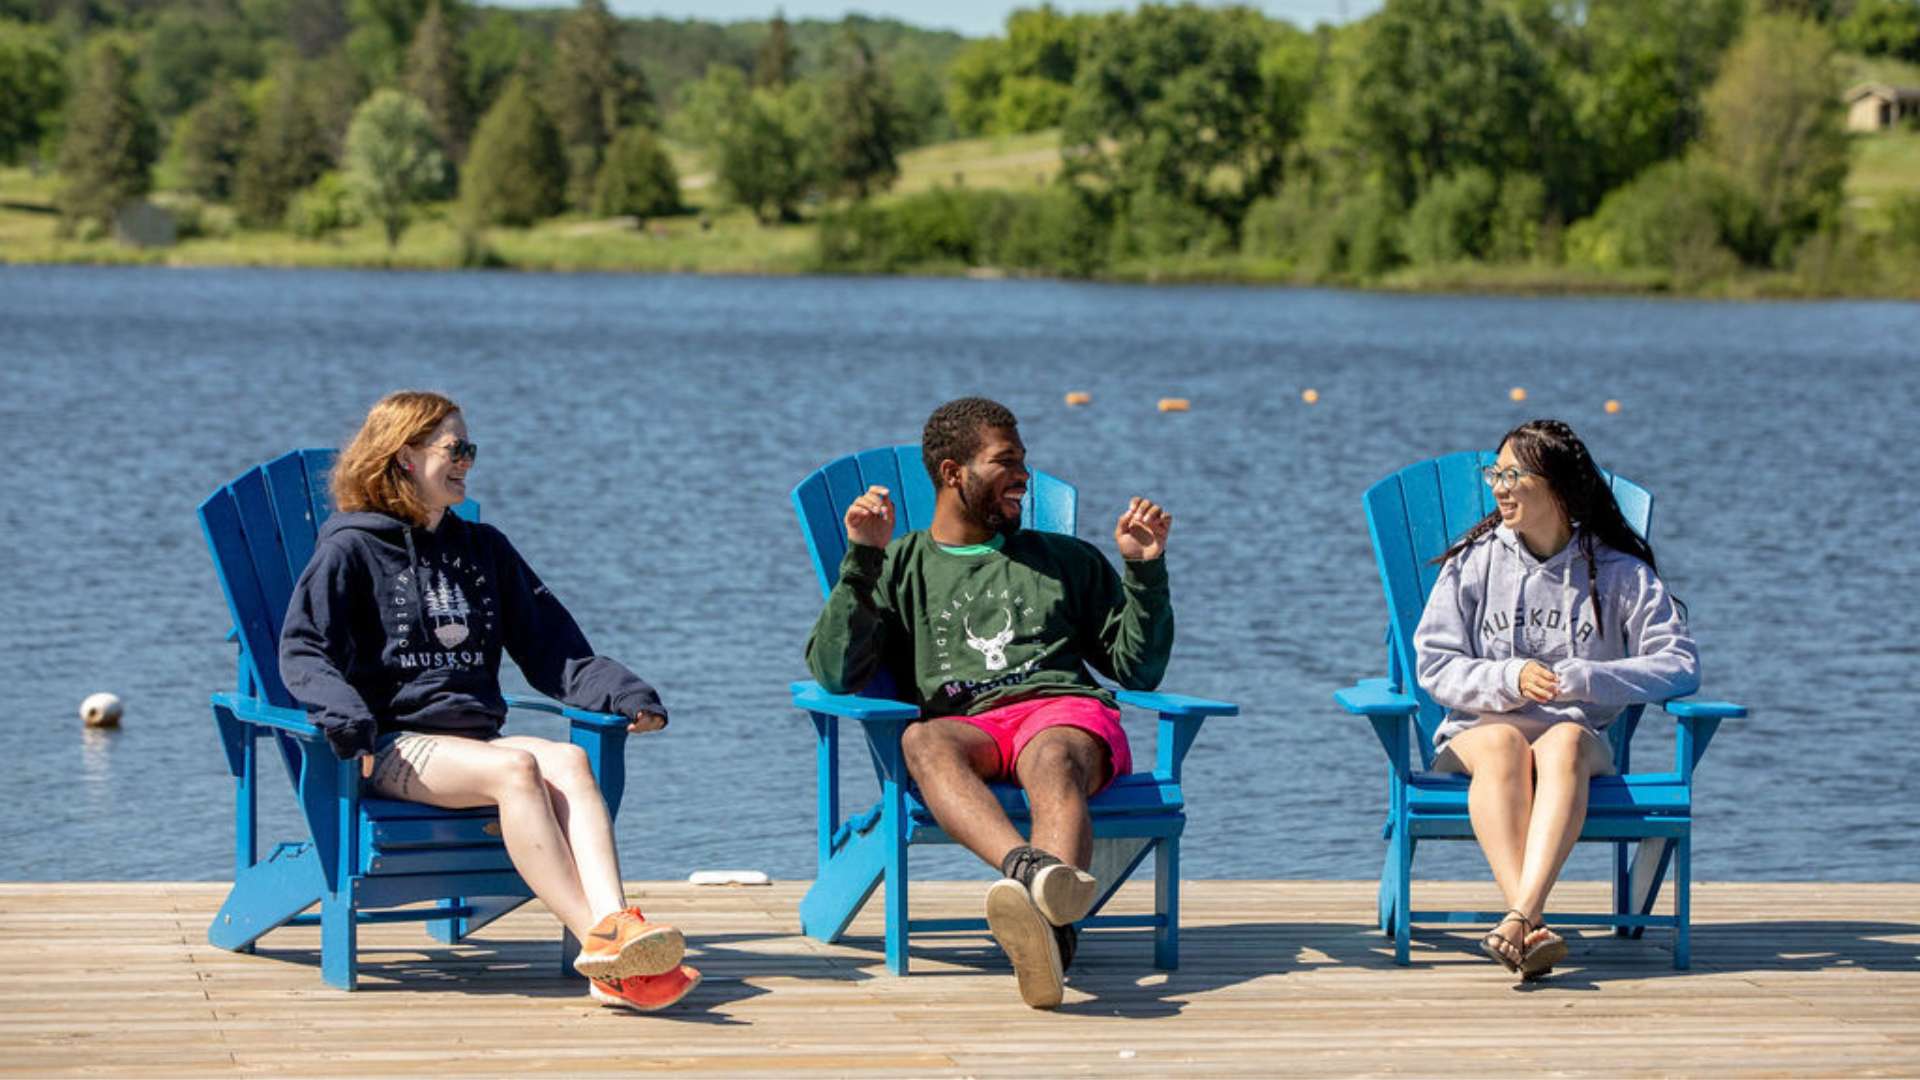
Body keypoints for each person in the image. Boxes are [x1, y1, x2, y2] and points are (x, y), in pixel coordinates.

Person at [278, 390, 699, 1012]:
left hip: (472, 744)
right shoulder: (350, 550)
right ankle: (604, 948)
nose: (467, 462)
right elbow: (303, 648)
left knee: (570, 763)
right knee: (519, 768)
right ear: (403, 457)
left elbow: (553, 649)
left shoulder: (485, 548)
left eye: (470, 449)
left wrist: (625, 693)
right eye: (455, 449)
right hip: (394, 745)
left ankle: (616, 925)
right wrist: (347, 720)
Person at [805, 397, 1176, 1008]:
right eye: (1006, 462)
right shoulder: (900, 565)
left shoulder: (1065, 561)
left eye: (1025, 463)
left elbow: (1139, 668)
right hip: (966, 725)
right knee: (921, 739)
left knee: (1050, 757)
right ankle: (1036, 880)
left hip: (1062, 714)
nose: (1023, 477)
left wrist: (1144, 573)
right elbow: (835, 671)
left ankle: (1048, 927)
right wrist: (862, 559)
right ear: (953, 473)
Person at [1414, 419, 1699, 979]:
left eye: (1514, 474)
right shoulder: (1472, 564)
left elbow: (1679, 663)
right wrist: (1510, 678)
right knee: (1499, 742)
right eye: (1494, 472)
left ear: (1558, 487)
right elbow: (1435, 665)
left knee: (1564, 739)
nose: (1498, 485)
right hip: (1475, 737)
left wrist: (1587, 679)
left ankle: (1519, 918)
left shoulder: (1619, 574)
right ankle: (1530, 918)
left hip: (1577, 744)